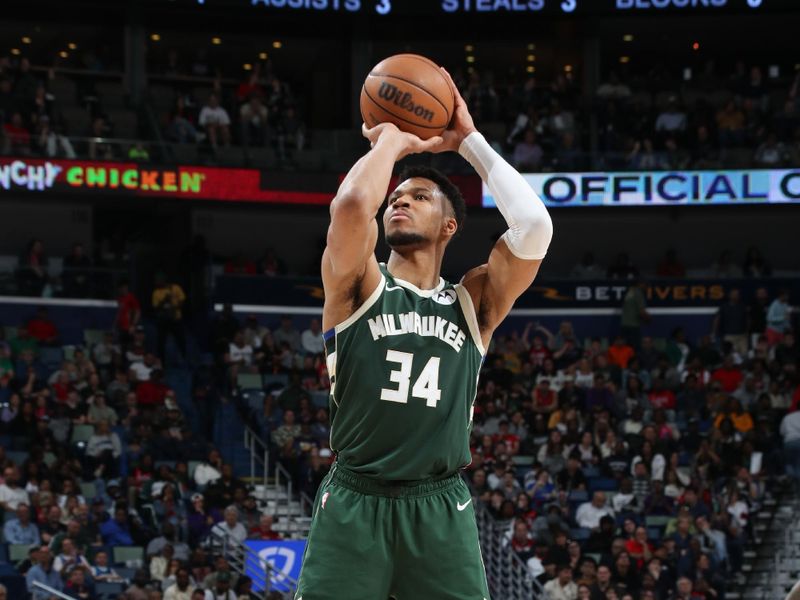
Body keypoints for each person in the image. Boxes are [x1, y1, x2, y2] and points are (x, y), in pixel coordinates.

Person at [295, 68, 553, 600]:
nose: (399, 200)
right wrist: (390, 142)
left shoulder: (472, 302)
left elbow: (535, 227)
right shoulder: (360, 285)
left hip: (439, 504)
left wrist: (470, 144)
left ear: (449, 225)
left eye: (419, 197)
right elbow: (349, 208)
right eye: (395, 196)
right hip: (354, 499)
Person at [152, 273, 187, 361]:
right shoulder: (156, 292)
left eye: (159, 280)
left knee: (181, 340)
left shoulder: (175, 288)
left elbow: (182, 301)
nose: (157, 282)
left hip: (175, 318)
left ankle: (184, 359)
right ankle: (161, 362)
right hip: (163, 320)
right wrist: (164, 300)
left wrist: (174, 307)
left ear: (163, 280)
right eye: (156, 281)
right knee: (161, 342)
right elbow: (156, 308)